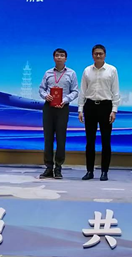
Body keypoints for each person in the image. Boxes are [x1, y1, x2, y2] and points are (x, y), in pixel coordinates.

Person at [78, 44, 120, 181]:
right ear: (92, 55)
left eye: (100, 53)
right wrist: (80, 109)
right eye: (96, 53)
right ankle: (89, 171)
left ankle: (104, 172)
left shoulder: (112, 70)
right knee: (90, 141)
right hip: (90, 106)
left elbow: (115, 92)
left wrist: (114, 110)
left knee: (106, 141)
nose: (98, 56)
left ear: (105, 55)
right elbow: (82, 91)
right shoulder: (87, 70)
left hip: (106, 106)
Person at [38, 48, 79, 179]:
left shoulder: (71, 73)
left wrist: (65, 100)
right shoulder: (48, 73)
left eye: (62, 55)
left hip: (63, 108)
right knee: (48, 138)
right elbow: (41, 89)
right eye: (57, 55)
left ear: (66, 58)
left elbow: (75, 91)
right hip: (49, 107)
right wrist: (46, 95)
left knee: (61, 138)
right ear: (54, 58)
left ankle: (58, 168)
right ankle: (48, 167)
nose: (59, 57)